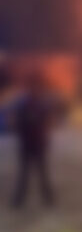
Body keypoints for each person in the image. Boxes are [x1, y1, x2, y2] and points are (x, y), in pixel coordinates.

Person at [10, 71, 60, 208]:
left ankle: (47, 198)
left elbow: (48, 122)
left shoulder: (41, 104)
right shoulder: (24, 104)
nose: (34, 89)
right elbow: (16, 123)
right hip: (28, 143)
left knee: (41, 173)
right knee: (25, 174)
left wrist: (43, 135)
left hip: (37, 143)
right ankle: (19, 200)